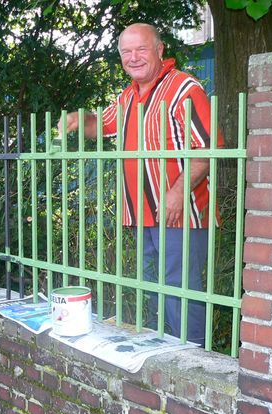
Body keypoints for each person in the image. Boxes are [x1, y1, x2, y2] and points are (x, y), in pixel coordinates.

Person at [58, 23, 220, 345]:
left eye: (141, 49)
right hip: (141, 215)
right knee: (154, 287)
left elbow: (208, 148)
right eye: (126, 52)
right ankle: (165, 349)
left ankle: (194, 356)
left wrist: (177, 192)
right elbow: (101, 125)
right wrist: (79, 118)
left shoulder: (184, 88)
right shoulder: (128, 97)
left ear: (159, 50)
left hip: (180, 214)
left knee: (179, 289)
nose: (133, 57)